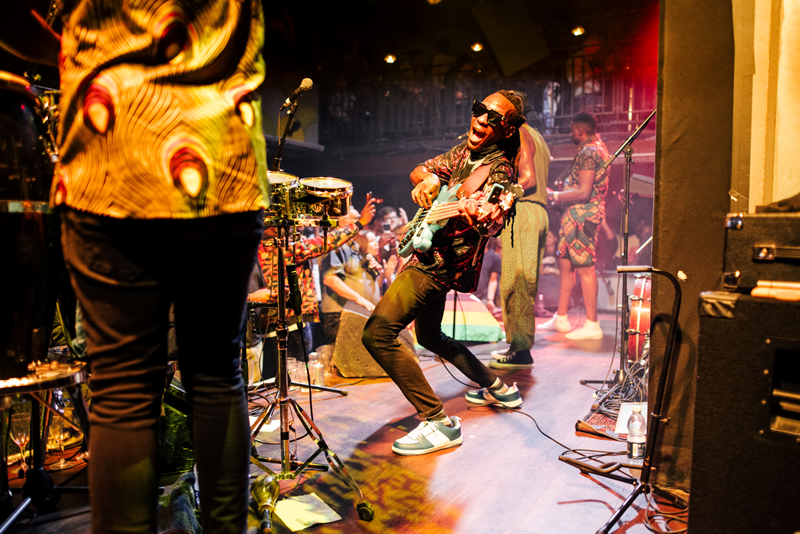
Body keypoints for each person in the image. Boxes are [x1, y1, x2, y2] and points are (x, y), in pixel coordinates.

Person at [1, 2, 269, 533]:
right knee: (218, 373)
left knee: (123, 388)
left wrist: (76, 49)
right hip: (225, 158)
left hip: (113, 153)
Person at [361, 91, 524, 456]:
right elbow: (421, 170)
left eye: (493, 118)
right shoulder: (463, 153)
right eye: (479, 110)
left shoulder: (499, 171)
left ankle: (438, 421)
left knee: (378, 333)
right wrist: (428, 181)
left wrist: (483, 214)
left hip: (438, 265)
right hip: (428, 251)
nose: (481, 120)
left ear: (507, 129)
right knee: (431, 336)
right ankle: (497, 386)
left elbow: (493, 217)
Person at [249, 196, 378, 379]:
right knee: (294, 376)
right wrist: (361, 223)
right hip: (290, 324)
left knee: (277, 376)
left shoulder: (260, 247)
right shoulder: (284, 248)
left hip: (271, 323)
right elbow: (326, 243)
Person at [490, 92, 551, 369]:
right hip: (536, 212)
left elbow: (527, 177)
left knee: (518, 283)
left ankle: (521, 350)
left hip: (524, 212)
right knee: (519, 281)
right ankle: (517, 345)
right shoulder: (537, 136)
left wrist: (501, 198)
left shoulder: (519, 134)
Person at [543, 110, 610, 340]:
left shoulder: (589, 152)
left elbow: (583, 191)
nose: (571, 133)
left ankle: (592, 325)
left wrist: (555, 195)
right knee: (565, 263)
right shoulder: (594, 149)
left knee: (585, 268)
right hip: (573, 217)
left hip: (583, 217)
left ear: (580, 130)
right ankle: (561, 318)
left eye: (572, 129)